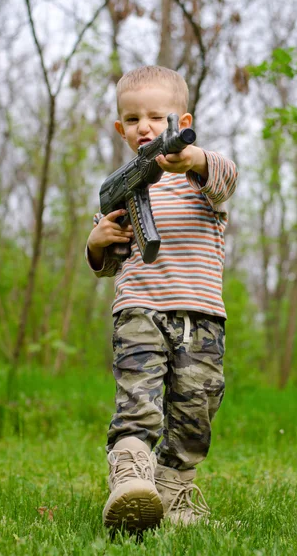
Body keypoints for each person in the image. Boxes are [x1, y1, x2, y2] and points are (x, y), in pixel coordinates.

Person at [86, 65, 238, 534]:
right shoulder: (122, 190)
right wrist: (97, 239)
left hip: (200, 316)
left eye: (156, 117)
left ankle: (172, 488)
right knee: (139, 399)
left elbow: (227, 177)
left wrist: (192, 159)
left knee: (196, 409)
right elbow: (109, 262)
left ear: (181, 121)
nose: (144, 127)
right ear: (120, 128)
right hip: (138, 310)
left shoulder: (200, 180)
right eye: (132, 120)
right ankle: (130, 475)